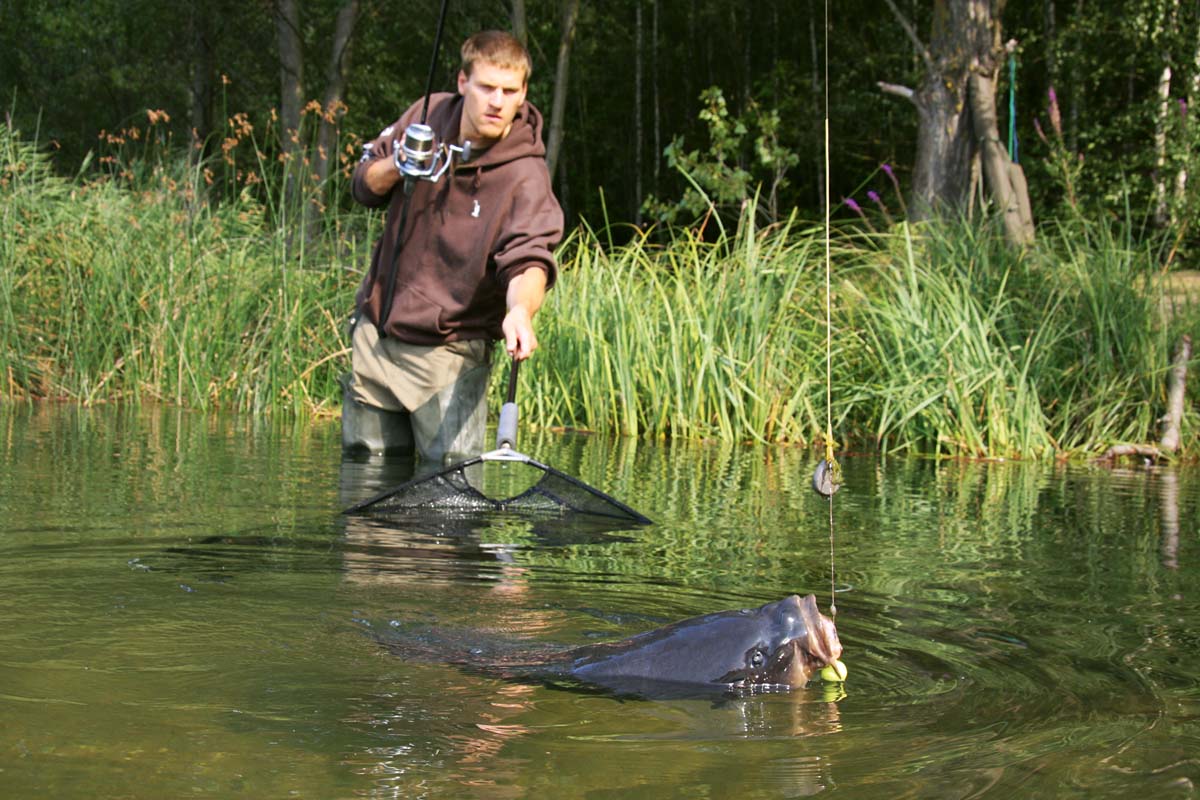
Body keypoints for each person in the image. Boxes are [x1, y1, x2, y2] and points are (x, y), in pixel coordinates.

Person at [341, 30, 564, 470]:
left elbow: (529, 259)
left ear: (523, 93)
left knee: (450, 507)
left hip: (450, 357)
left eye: (509, 91)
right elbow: (362, 185)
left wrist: (520, 311)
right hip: (376, 338)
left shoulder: (525, 174)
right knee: (363, 490)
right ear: (463, 83)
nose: (496, 102)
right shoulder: (426, 116)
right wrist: (398, 164)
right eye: (486, 88)